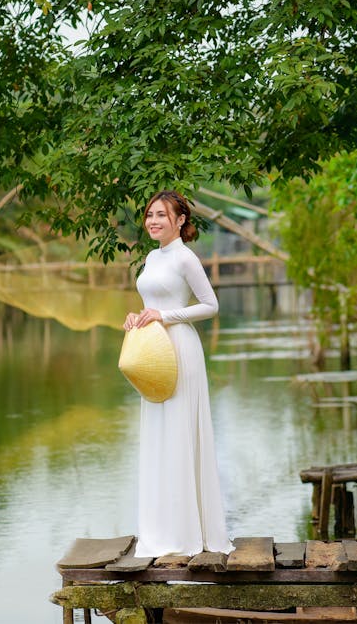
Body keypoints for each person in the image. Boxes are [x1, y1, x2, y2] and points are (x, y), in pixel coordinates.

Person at [123, 189, 233, 557]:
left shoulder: (185, 258)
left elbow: (210, 306)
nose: (153, 221)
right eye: (149, 215)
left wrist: (165, 316)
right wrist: (137, 316)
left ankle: (187, 533)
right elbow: (151, 304)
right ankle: (159, 531)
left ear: (180, 220)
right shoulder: (152, 257)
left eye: (161, 215)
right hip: (152, 351)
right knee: (158, 436)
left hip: (180, 350)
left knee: (180, 434)